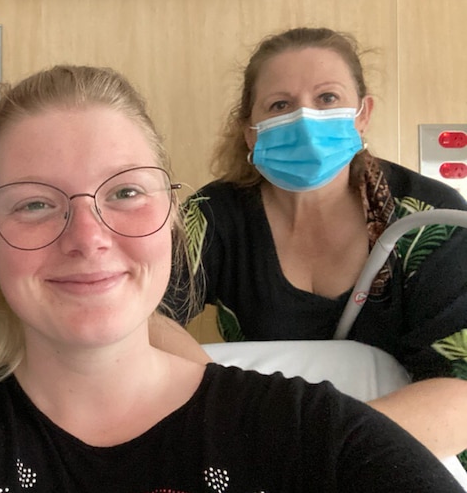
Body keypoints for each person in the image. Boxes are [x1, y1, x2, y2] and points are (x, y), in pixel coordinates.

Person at [0, 65, 463, 493]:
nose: (88, 238)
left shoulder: (308, 435)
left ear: (172, 217)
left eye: (124, 193)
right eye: (34, 203)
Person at [177, 27, 467, 465]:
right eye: (280, 105)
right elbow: (140, 317)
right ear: (251, 133)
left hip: (407, 447)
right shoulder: (214, 215)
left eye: (327, 98)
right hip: (264, 436)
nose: (304, 119)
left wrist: (323, 448)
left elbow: (461, 393)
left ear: (362, 114)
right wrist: (217, 405)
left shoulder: (427, 217)